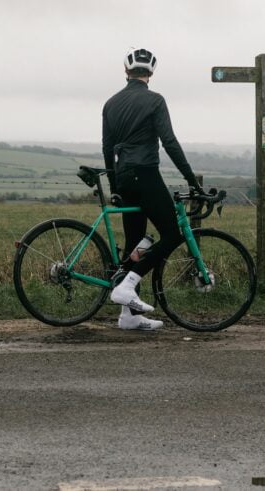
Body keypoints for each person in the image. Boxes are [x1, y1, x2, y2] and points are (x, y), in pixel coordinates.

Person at [102, 47, 201, 330]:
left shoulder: (110, 103)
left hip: (123, 177)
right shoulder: (155, 100)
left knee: (135, 243)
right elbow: (169, 142)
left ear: (126, 71)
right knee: (172, 233)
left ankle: (128, 316)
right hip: (145, 173)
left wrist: (114, 186)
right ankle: (128, 285)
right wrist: (191, 178)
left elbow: (107, 148)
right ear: (151, 73)